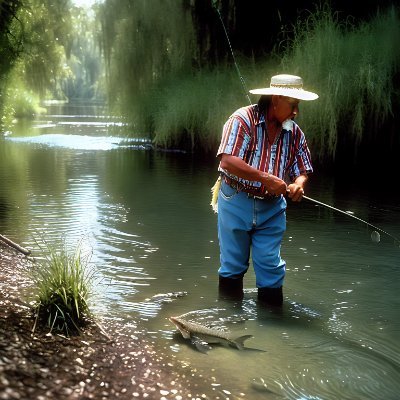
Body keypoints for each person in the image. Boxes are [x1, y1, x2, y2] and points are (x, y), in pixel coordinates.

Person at [213, 74, 318, 306]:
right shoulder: (242, 119)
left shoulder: (294, 133)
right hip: (235, 199)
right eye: (293, 105)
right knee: (232, 265)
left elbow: (303, 169)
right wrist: (265, 178)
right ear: (276, 99)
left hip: (272, 207)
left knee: (271, 265)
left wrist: (298, 184)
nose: (295, 112)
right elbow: (227, 161)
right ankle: (229, 321)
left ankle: (271, 329)